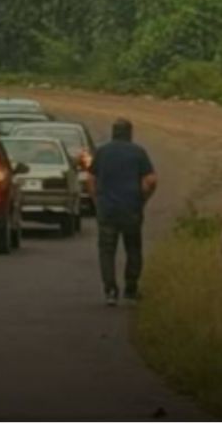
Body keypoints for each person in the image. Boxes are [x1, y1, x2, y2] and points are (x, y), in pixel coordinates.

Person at [91, 118, 156, 306]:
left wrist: (97, 201)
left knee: (107, 251)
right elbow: (151, 181)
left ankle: (110, 290)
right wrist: (143, 199)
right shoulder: (138, 152)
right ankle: (131, 289)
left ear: (113, 132)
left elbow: (91, 178)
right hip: (131, 209)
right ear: (130, 133)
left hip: (107, 210)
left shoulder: (102, 152)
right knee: (133, 248)